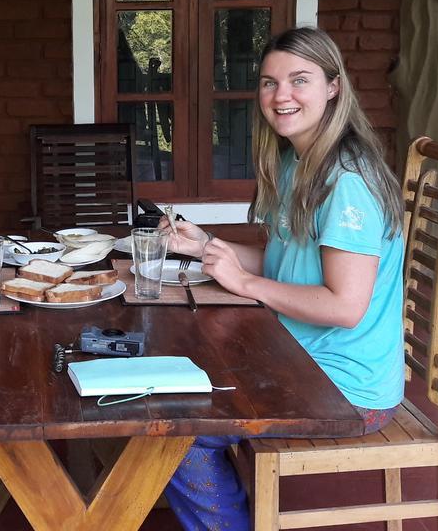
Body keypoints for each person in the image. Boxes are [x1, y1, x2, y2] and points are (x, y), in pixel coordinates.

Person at [161, 26, 405, 530]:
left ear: (333, 86)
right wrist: (206, 247)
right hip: (296, 359)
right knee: (175, 374)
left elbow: (344, 307)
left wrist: (245, 284)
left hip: (345, 388)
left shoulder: (348, 180)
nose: (282, 95)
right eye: (270, 83)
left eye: (299, 80)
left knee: (175, 432)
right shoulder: (298, 160)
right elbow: (281, 263)